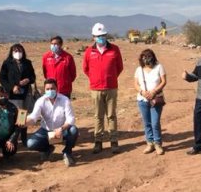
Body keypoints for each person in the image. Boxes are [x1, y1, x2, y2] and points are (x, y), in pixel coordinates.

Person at [82, 23, 124, 154]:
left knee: (111, 115)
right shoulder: (89, 51)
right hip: (96, 89)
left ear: (106, 36)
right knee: (98, 116)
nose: (101, 38)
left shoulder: (115, 49)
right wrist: (95, 79)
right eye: (98, 36)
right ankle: (98, 142)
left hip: (111, 88)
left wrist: (110, 78)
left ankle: (114, 141)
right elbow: (86, 69)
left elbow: (119, 67)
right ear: (93, 37)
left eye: (103, 36)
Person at [23, 78, 79, 167]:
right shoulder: (40, 101)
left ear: (57, 89)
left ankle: (67, 152)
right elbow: (33, 117)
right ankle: (48, 149)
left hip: (61, 131)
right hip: (46, 131)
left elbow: (71, 119)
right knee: (30, 143)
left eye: (52, 88)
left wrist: (61, 129)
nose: (50, 91)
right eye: (47, 89)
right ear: (44, 90)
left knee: (73, 130)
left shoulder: (65, 100)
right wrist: (23, 122)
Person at [0, 43, 36, 145]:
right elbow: (2, 78)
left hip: (25, 94)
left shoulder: (27, 63)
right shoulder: (7, 63)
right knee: (12, 116)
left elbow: (33, 77)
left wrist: (28, 80)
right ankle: (11, 138)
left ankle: (23, 138)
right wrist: (12, 87)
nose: (18, 53)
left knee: (22, 116)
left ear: (23, 52)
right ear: (11, 52)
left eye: (20, 51)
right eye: (15, 51)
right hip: (13, 95)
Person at [134, 49, 167, 155]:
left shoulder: (159, 67)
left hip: (156, 98)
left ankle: (158, 144)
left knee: (155, 122)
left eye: (148, 56)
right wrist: (142, 92)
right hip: (142, 99)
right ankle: (150, 143)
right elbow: (135, 84)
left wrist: (154, 91)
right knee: (147, 123)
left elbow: (163, 81)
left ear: (153, 57)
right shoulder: (139, 69)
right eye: (144, 57)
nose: (146, 59)